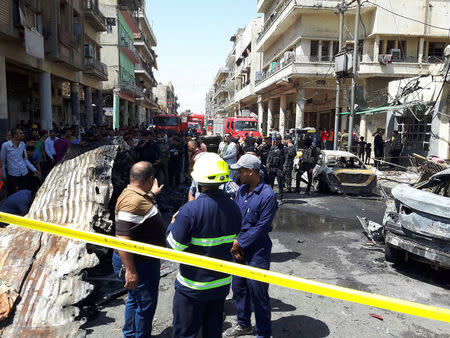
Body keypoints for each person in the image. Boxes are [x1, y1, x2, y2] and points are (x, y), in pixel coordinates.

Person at [167, 153, 242, 338]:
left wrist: (172, 224)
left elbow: (174, 247)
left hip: (192, 287)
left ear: (198, 182)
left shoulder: (189, 211)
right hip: (221, 285)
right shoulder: (234, 208)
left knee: (186, 333)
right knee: (213, 332)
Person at [226, 154, 278, 338]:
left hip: (258, 250)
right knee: (239, 288)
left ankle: (263, 333)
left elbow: (262, 226)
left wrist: (240, 242)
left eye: (240, 171)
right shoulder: (241, 191)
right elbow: (235, 217)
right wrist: (234, 241)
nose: (238, 174)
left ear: (251, 171)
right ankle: (243, 324)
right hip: (237, 247)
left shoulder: (268, 195)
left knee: (258, 292)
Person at [112, 161, 166, 337]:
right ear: (150, 179)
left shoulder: (133, 193)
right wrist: (130, 270)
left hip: (138, 261)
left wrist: (151, 194)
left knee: (134, 299)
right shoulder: (133, 202)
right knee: (145, 305)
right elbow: (123, 238)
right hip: (138, 263)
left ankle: (130, 334)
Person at [1, 129, 39, 196]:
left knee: (24, 193)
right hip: (13, 174)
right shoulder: (5, 145)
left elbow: (25, 159)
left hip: (24, 173)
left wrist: (34, 169)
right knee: (13, 194)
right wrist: (3, 175)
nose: (23, 135)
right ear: (15, 135)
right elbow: (2, 161)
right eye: (20, 133)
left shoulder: (23, 144)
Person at [266, 134, 285, 202]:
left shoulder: (283, 148)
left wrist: (284, 170)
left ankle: (280, 198)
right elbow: (269, 157)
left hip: (279, 167)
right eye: (276, 139)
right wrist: (267, 166)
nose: (277, 141)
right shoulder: (272, 147)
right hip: (272, 167)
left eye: (278, 139)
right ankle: (271, 197)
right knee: (271, 183)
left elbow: (286, 159)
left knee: (280, 184)